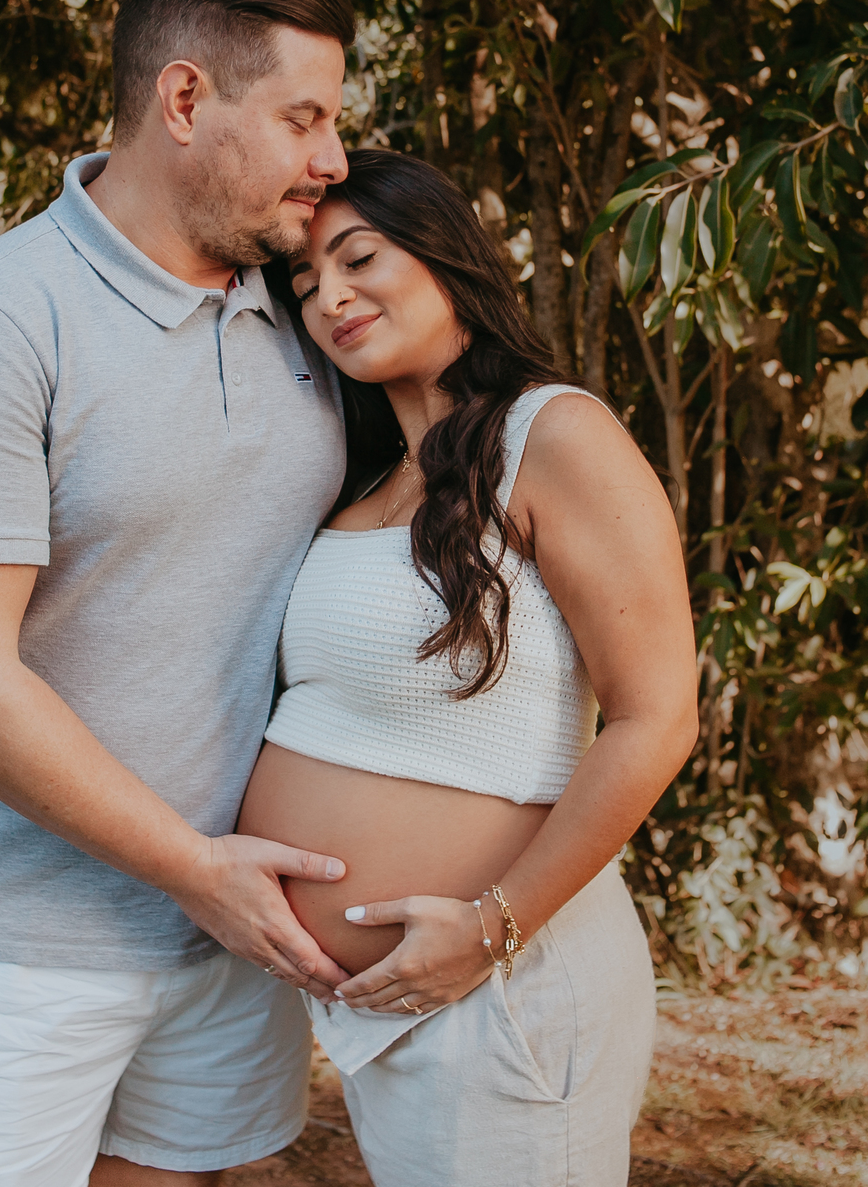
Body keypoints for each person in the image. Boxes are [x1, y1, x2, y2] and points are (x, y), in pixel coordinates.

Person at [0, 0, 359, 1187]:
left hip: (224, 950)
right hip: (8, 955)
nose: (333, 161)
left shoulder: (309, 313)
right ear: (184, 101)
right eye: (304, 119)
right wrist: (196, 873)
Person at [238, 147, 699, 1187]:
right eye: (306, 289)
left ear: (445, 253)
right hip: (394, 1006)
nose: (332, 300)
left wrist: (492, 929)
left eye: (359, 259)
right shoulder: (366, 483)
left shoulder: (556, 434)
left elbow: (658, 717)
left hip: (509, 984)